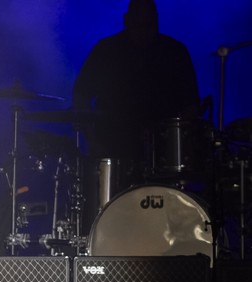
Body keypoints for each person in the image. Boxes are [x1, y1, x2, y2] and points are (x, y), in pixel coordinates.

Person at [72, 0, 201, 227]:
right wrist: (91, 139)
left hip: (162, 154)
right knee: (110, 211)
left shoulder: (174, 51)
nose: (142, 32)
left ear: (156, 23)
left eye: (148, 25)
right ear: (126, 21)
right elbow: (81, 96)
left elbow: (191, 105)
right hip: (113, 147)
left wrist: (180, 144)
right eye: (138, 25)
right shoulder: (106, 50)